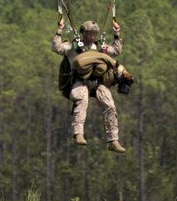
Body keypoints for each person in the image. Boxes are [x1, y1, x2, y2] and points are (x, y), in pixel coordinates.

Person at [52, 16, 126, 153]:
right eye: (89, 33)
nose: (92, 36)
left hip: (96, 82)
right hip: (79, 81)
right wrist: (59, 30)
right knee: (82, 98)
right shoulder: (73, 46)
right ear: (83, 33)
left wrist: (116, 34)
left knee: (109, 105)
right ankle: (78, 133)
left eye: (94, 34)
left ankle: (113, 140)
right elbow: (57, 48)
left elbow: (116, 51)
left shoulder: (99, 47)